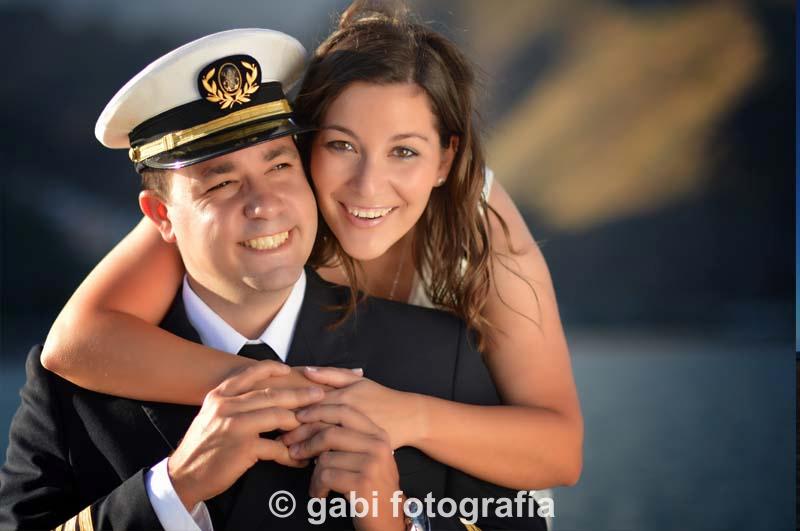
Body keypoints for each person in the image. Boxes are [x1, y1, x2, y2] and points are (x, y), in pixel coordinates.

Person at [41, 0, 581, 519]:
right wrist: (292, 391)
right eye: (342, 145)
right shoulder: (245, 206)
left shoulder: (480, 225)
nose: (369, 186)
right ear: (301, 144)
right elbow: (78, 343)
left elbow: (560, 451)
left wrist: (407, 415)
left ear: (446, 159)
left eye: (405, 151)